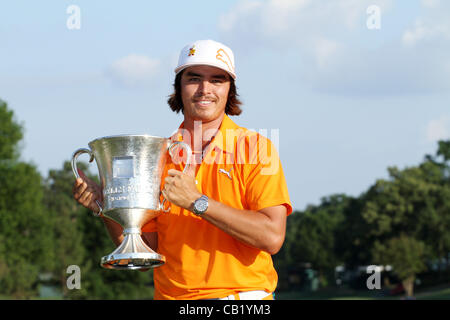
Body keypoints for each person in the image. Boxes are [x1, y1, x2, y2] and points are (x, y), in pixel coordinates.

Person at [72, 39, 292, 300]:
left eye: (217, 80)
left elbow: (271, 237)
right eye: (194, 79)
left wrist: (197, 202)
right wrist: (106, 207)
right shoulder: (155, 155)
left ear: (230, 89)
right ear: (178, 86)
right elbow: (147, 249)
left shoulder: (257, 147)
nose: (204, 89)